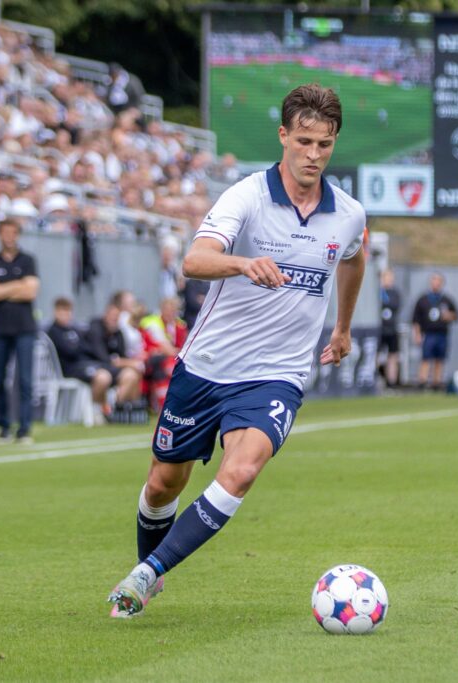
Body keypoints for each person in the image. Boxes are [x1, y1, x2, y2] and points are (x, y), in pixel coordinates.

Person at [107, 84, 366, 617]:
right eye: (304, 142)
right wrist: (243, 263)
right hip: (207, 367)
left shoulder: (348, 214)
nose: (313, 155)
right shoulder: (246, 196)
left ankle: (146, 574)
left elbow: (354, 260)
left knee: (242, 470)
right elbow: (194, 261)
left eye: (324, 144)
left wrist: (341, 329)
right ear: (283, 136)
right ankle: (148, 571)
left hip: (277, 375)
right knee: (163, 483)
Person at [0, 219, 39, 445]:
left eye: (13, 233)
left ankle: (24, 428)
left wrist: (0, 289)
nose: (9, 237)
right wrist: (17, 286)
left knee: (24, 380)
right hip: (0, 328)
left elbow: (31, 291)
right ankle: (4, 426)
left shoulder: (28, 260)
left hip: (24, 327)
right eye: (5, 233)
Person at [46, 297, 114, 414]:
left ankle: (110, 410)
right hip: (69, 369)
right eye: (63, 311)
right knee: (103, 377)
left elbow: (87, 348)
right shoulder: (53, 331)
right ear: (56, 312)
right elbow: (69, 351)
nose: (66, 315)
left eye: (68, 311)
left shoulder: (74, 330)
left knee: (112, 372)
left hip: (84, 365)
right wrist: (78, 348)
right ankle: (96, 411)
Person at [411, 273, 458, 390]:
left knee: (440, 359)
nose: (436, 283)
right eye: (434, 280)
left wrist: (450, 316)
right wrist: (417, 334)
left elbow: (456, 315)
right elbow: (416, 319)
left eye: (438, 281)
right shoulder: (423, 300)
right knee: (426, 358)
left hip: (442, 334)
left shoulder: (446, 299)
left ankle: (436, 382)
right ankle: (422, 381)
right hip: (428, 334)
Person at [378, 269, 401, 388]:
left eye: (390, 277)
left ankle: (391, 382)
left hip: (391, 329)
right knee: (375, 354)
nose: (389, 280)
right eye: (386, 277)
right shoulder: (377, 292)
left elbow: (396, 306)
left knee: (393, 356)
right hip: (379, 329)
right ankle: (373, 380)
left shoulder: (395, 293)